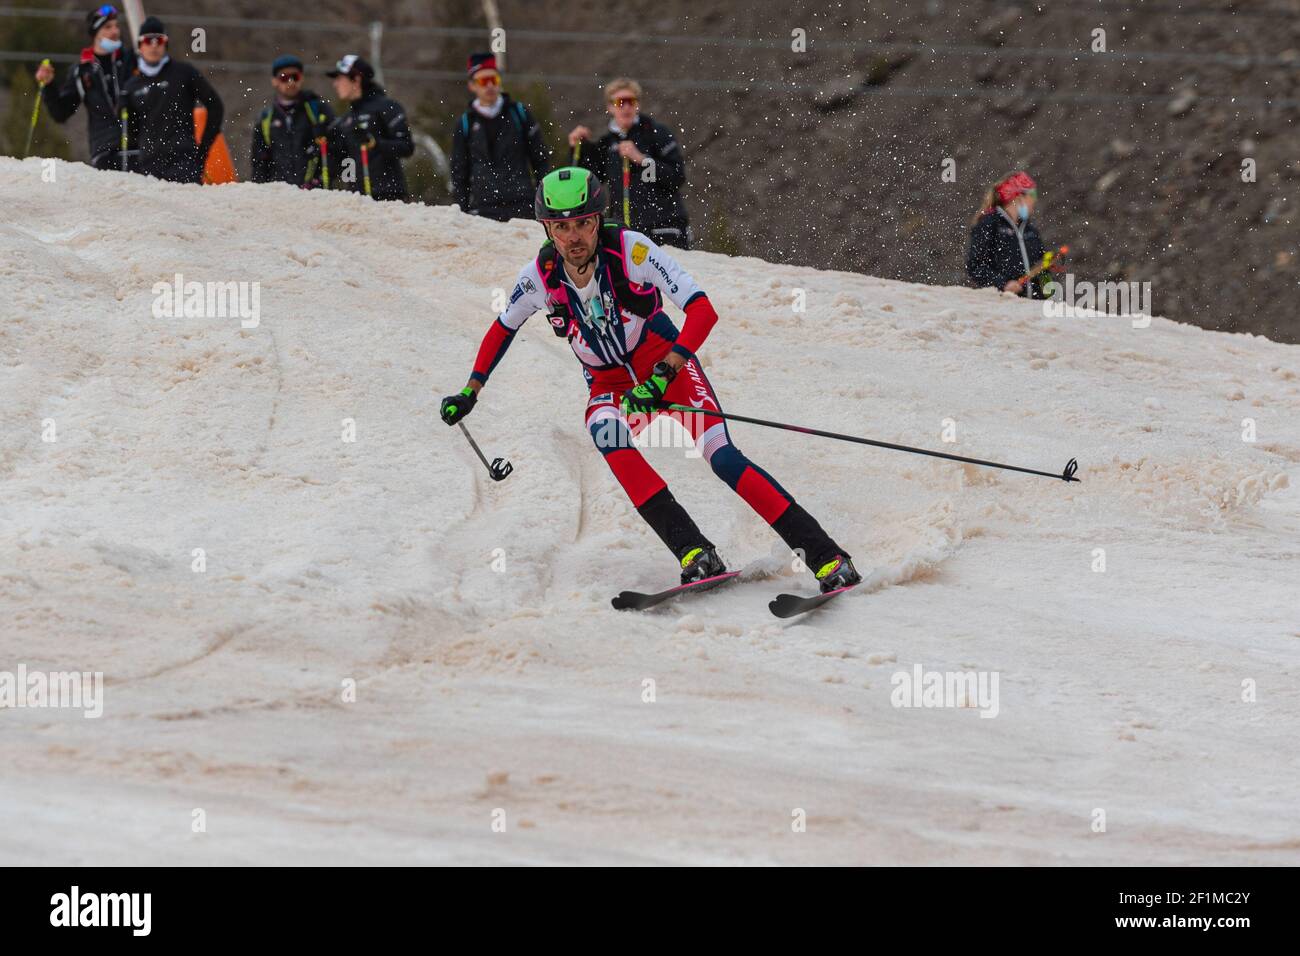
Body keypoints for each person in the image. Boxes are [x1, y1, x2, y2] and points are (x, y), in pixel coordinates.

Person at [439, 168, 860, 593]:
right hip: (611, 386)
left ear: (598, 219)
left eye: (583, 222)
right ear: (547, 228)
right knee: (606, 432)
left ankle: (827, 557)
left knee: (723, 458)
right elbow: (502, 328)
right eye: (561, 227)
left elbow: (701, 310)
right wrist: (470, 391)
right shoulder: (539, 277)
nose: (573, 237)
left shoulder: (632, 252)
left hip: (668, 370)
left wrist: (663, 374)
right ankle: (695, 552)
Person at [569, 78, 691, 249]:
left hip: (664, 228)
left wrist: (642, 159)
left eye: (631, 102)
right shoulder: (606, 143)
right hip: (625, 231)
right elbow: (587, 183)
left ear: (637, 105)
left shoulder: (656, 133)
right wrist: (578, 149)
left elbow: (677, 176)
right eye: (620, 102)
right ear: (610, 107)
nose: (626, 107)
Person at [120, 16, 223, 183]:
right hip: (149, 165)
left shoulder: (184, 73)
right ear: (139, 45)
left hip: (184, 161)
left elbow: (215, 106)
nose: (154, 45)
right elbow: (129, 129)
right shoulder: (132, 86)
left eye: (159, 40)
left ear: (166, 44)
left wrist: (203, 150)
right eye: (148, 40)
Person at [35, 5, 136, 170]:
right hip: (105, 151)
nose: (115, 31)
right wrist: (48, 86)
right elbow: (61, 112)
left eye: (117, 26)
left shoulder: (132, 60)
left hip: (138, 147)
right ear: (95, 33)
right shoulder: (82, 71)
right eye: (108, 27)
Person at [450, 53, 550, 221]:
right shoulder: (465, 122)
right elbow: (459, 171)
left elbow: (540, 159)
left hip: (523, 204)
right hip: (483, 207)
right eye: (483, 81)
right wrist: (462, 209)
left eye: (493, 79)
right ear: (472, 86)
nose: (489, 86)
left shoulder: (519, 113)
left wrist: (544, 200)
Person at [324, 54, 413, 201]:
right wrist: (327, 143)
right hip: (357, 200)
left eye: (339, 78)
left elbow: (406, 147)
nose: (335, 84)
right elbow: (343, 164)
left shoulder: (387, 107)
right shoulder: (346, 119)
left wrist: (375, 143)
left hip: (389, 197)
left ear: (356, 79)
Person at [250, 55, 333, 187]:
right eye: (284, 77)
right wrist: (260, 193)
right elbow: (259, 164)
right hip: (279, 194)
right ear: (274, 81)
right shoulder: (266, 119)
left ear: (302, 78)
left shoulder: (318, 110)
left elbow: (336, 151)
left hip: (316, 194)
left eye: (295, 77)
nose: (291, 82)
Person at [966, 171, 1050, 298]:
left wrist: (1049, 292)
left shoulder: (1030, 230)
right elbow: (975, 266)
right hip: (1001, 306)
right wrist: (1003, 284)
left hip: (1033, 309)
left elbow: (1042, 268)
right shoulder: (989, 224)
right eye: (1032, 194)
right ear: (1018, 196)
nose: (1035, 200)